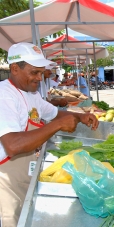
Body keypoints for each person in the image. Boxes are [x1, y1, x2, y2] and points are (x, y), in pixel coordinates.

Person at [0, 42, 99, 226]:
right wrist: (58, 125)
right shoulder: (4, 96)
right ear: (15, 68)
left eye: (41, 71)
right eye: (34, 72)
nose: (40, 77)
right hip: (7, 180)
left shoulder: (31, 93)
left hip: (27, 172)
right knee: (13, 220)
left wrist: (80, 116)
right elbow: (12, 145)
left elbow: (54, 113)